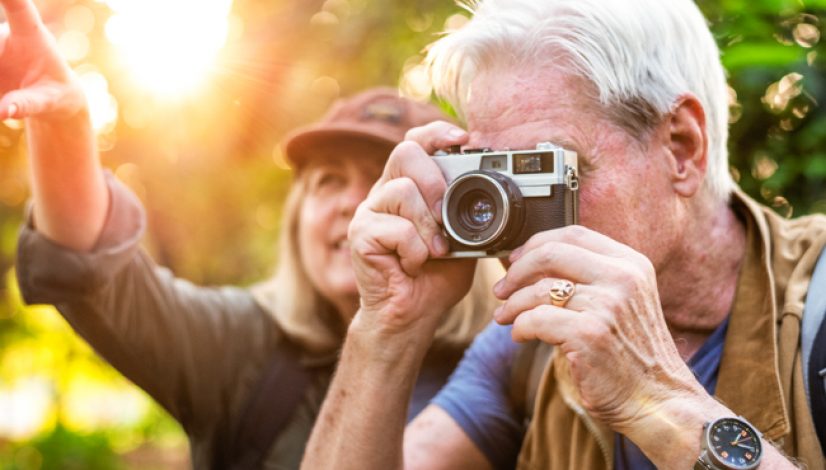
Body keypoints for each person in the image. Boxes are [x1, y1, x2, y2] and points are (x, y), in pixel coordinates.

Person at [302, 0, 826, 469]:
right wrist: (386, 328)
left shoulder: (815, 311)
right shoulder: (524, 347)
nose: (514, 226)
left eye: (550, 173)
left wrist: (663, 404)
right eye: (491, 175)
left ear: (682, 148)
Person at [1, 0, 502, 467]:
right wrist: (65, 127)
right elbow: (94, 272)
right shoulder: (239, 347)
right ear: (297, 215)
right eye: (329, 181)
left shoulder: (508, 360)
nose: (354, 203)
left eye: (382, 178)